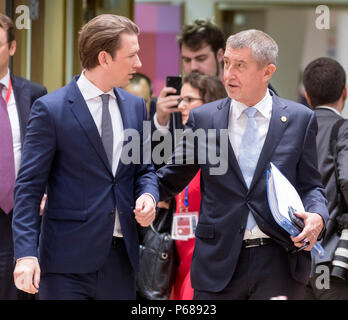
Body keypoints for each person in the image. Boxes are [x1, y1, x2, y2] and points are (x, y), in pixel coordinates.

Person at [157, 29, 328, 300]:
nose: (228, 74)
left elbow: (311, 186)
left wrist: (318, 216)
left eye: (240, 65)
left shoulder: (299, 119)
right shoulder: (204, 119)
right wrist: (141, 193)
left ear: (267, 71)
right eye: (226, 63)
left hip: (279, 262)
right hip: (218, 262)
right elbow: (169, 178)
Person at [12, 14, 158, 300]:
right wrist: (26, 254)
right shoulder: (50, 109)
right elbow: (29, 189)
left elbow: (145, 171)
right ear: (105, 58)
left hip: (121, 262)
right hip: (65, 264)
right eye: (132, 55)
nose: (139, 64)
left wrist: (149, 196)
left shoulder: (136, 108)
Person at [0, 13, 47, 300]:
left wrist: (46, 191)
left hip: (23, 209)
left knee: (20, 287)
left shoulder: (34, 93)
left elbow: (48, 151)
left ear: (12, 48)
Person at [171, 71, 227, 300]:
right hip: (178, 259)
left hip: (206, 262)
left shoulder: (220, 151)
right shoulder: (183, 145)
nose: (182, 106)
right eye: (180, 100)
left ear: (210, 103)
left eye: (189, 100)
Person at [303, 57, 348, 300]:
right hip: (334, 260)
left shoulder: (293, 130)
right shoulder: (343, 129)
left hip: (296, 261)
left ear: (307, 96)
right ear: (345, 92)